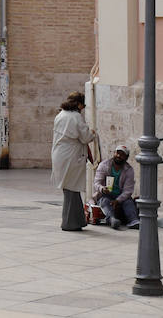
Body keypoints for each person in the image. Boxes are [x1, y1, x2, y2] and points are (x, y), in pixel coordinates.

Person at [52, 90, 96, 231]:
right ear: (78, 104)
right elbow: (85, 137)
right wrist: (92, 133)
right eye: (82, 105)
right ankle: (69, 223)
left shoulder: (60, 115)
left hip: (60, 155)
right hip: (71, 156)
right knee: (72, 189)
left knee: (71, 189)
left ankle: (78, 221)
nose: (83, 108)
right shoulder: (76, 117)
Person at [92, 143, 138, 229]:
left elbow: (128, 190)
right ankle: (112, 220)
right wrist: (102, 189)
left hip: (121, 196)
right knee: (104, 201)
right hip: (106, 194)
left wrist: (117, 200)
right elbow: (96, 183)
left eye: (122, 154)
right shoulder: (104, 165)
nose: (119, 156)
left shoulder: (129, 170)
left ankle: (133, 220)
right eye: (117, 153)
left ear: (126, 157)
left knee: (128, 202)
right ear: (114, 153)